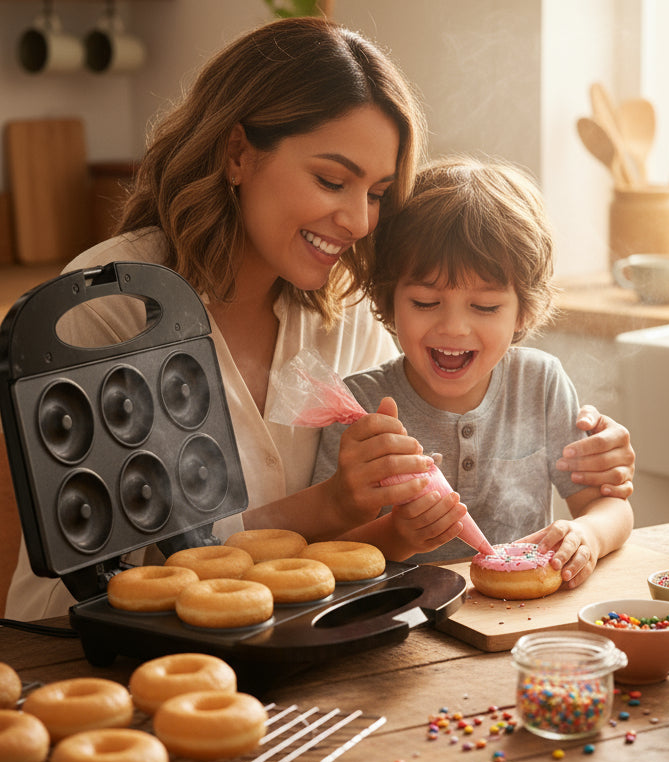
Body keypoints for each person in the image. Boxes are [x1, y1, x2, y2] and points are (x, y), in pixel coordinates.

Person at [4, 17, 633, 621]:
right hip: (80, 650)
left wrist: (589, 458)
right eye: (333, 180)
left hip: (284, 649)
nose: (360, 221)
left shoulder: (348, 314)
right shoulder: (109, 309)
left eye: (379, 193)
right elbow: (137, 572)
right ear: (237, 154)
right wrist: (330, 506)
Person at [312, 156, 633, 587]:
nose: (453, 327)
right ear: (388, 301)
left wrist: (588, 535)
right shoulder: (361, 408)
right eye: (426, 303)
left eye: (485, 307)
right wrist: (397, 535)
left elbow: (611, 507)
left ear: (525, 311)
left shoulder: (540, 384)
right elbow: (324, 552)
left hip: (523, 618)